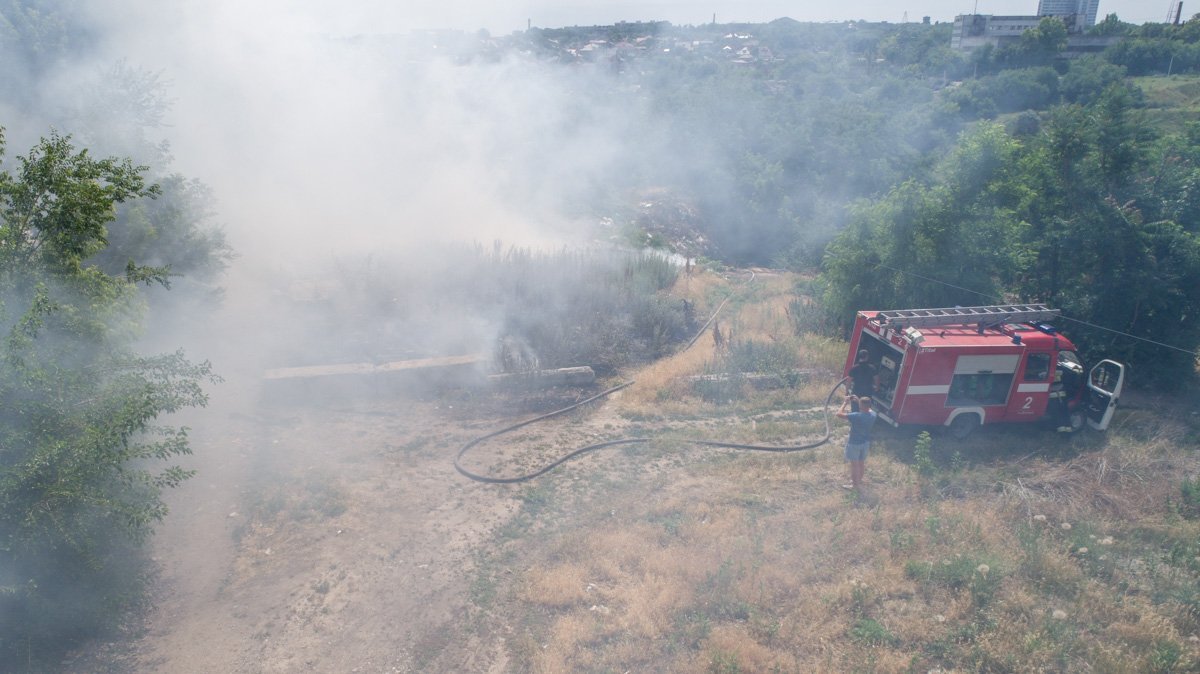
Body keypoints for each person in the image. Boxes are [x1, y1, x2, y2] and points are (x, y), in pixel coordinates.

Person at [836, 395, 877, 490]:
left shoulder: (856, 416)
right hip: (865, 443)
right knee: (861, 463)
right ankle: (858, 481)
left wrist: (845, 402)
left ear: (860, 406)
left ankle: (854, 486)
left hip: (854, 443)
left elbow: (838, 414)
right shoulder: (873, 415)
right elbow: (868, 408)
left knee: (854, 465)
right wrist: (859, 401)